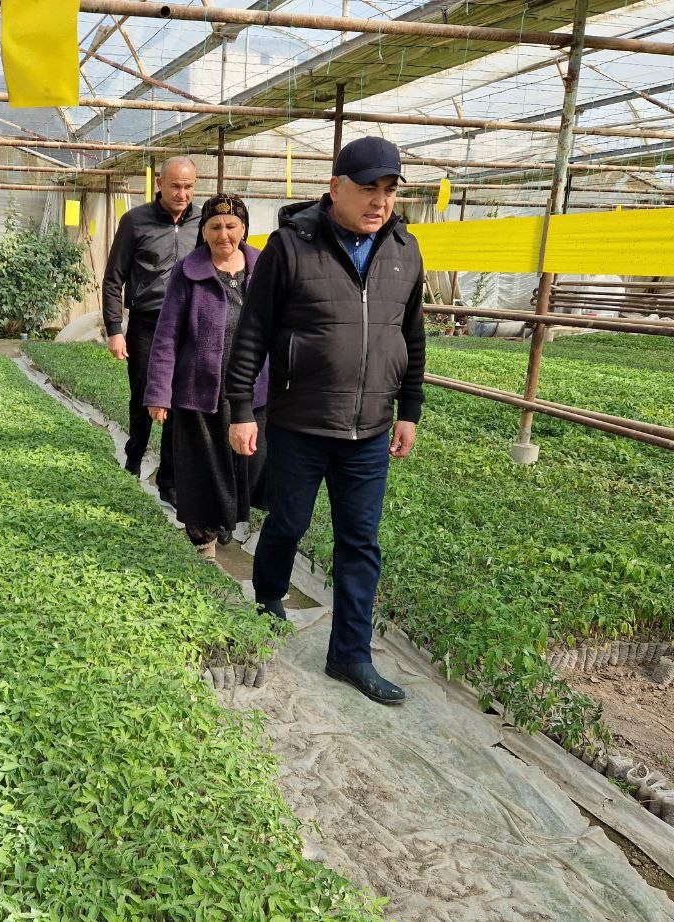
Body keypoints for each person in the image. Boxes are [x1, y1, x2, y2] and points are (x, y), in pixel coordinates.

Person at [225, 136, 426, 706]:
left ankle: (350, 655)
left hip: (369, 430)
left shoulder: (404, 250)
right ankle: (268, 597)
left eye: (389, 190)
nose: (380, 201)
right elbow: (253, 333)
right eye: (368, 189)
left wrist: (409, 410)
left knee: (360, 542)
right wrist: (241, 410)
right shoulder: (291, 247)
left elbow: (411, 336)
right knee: (288, 521)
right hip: (301, 422)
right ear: (335, 188)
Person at [144, 193, 268, 559]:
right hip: (198, 392)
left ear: (244, 228)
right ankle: (204, 544)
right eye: (215, 226)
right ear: (204, 230)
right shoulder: (188, 271)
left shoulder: (264, 268)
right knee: (202, 472)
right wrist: (159, 391)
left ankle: (227, 520)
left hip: (253, 390)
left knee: (248, 466)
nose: (223, 234)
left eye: (231, 226)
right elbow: (167, 335)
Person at [101, 156, 201, 507]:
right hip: (147, 322)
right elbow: (113, 278)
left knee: (180, 398)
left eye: (188, 187)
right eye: (175, 186)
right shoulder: (135, 221)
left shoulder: (204, 221)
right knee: (145, 393)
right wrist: (115, 329)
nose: (182, 193)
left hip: (189, 324)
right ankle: (134, 459)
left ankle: (168, 480)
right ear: (160, 184)